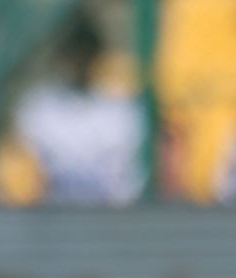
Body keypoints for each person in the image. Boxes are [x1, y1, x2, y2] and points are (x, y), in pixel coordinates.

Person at [9, 17, 148, 205]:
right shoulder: (38, 107)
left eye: (84, 55)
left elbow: (126, 191)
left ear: (96, 57)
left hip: (107, 223)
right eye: (70, 55)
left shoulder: (121, 112)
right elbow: (23, 187)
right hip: (50, 223)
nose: (76, 63)